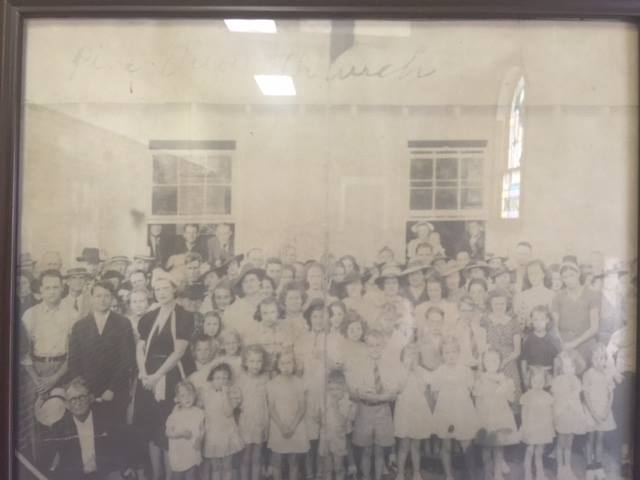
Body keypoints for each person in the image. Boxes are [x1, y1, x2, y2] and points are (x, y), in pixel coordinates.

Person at [132, 276, 195, 480]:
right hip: (148, 376)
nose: (161, 293)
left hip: (170, 375)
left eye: (165, 288)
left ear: (174, 289)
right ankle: (156, 475)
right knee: (151, 428)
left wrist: (157, 376)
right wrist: (143, 373)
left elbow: (179, 351)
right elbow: (140, 348)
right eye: (157, 289)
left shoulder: (184, 316)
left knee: (167, 428)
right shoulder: (149, 317)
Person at [68, 281, 136, 424]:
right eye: (98, 296)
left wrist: (112, 389)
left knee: (115, 430)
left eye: (106, 296)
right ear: (91, 298)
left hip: (116, 390)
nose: (102, 300)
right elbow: (74, 361)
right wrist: (85, 391)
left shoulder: (123, 323)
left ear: (112, 298)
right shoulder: (80, 326)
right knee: (92, 431)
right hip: (88, 393)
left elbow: (127, 360)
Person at [40, 377, 129, 480]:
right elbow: (51, 463)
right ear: (67, 405)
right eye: (73, 399)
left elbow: (122, 449)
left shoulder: (106, 419)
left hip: (106, 475)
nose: (78, 403)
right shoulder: (60, 428)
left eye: (81, 397)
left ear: (90, 398)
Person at [345, 330, 399, 480]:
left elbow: (393, 390)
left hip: (383, 410)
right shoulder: (360, 365)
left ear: (383, 346)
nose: (374, 349)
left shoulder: (389, 365)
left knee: (380, 450)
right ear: (366, 346)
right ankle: (366, 477)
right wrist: (378, 396)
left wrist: (380, 396)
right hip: (365, 410)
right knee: (366, 450)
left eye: (378, 345)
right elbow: (358, 392)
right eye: (371, 345)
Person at [22, 270, 78, 397]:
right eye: (47, 288)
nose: (52, 292)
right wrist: (36, 379)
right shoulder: (30, 314)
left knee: (61, 405)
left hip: (63, 370)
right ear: (41, 289)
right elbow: (24, 353)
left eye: (55, 287)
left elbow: (74, 353)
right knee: (34, 406)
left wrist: (55, 378)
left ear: (62, 288)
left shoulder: (72, 314)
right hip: (36, 370)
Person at [431, 337, 478, 480]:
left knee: (466, 444)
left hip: (462, 410)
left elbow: (470, 390)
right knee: (446, 445)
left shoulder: (465, 370)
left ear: (458, 353)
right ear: (442, 354)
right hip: (446, 411)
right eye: (446, 352)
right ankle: (449, 475)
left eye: (453, 352)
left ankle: (472, 475)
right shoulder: (438, 372)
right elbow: (435, 394)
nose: (450, 355)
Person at [473, 350, 518, 480]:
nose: (491, 363)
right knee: (486, 449)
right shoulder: (480, 379)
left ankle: (498, 474)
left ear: (500, 362)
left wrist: (504, 384)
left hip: (500, 417)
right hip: (485, 417)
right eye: (488, 360)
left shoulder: (505, 379)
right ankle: (488, 474)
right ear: (483, 362)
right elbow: (477, 399)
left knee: (499, 447)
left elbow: (511, 398)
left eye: (495, 360)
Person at [267, 352, 309, 480]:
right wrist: (281, 427)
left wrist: (292, 427)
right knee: (277, 460)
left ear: (294, 364)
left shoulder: (300, 383)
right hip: (278, 425)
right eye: (283, 363)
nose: (286, 366)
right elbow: (271, 408)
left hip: (296, 425)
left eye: (289, 363)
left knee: (294, 460)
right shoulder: (272, 384)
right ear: (278, 365)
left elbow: (302, 407)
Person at [551, 261, 601, 368]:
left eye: (571, 275)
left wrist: (575, 343)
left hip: (586, 343)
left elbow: (594, 327)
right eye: (564, 277)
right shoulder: (558, 297)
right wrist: (562, 345)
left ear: (578, 274)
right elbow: (554, 326)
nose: (568, 280)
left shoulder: (592, 294)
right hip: (564, 344)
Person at [394, 344, 433, 480]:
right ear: (402, 357)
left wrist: (416, 371)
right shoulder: (399, 370)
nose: (411, 358)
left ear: (419, 358)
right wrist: (407, 371)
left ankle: (416, 472)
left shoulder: (421, 371)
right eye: (408, 355)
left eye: (414, 355)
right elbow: (399, 388)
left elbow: (425, 385)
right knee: (403, 444)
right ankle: (400, 473)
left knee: (416, 444)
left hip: (418, 410)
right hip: (404, 410)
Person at [201, 363, 244, 480]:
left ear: (229, 380)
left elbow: (228, 412)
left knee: (227, 466)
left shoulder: (232, 394)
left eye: (225, 378)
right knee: (215, 467)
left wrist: (225, 394)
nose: (221, 381)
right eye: (217, 378)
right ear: (211, 380)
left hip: (227, 434)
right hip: (212, 435)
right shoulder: (206, 394)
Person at [551, 351, 591, 480]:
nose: (569, 369)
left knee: (569, 442)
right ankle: (559, 468)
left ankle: (567, 467)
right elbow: (556, 399)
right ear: (562, 368)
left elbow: (577, 399)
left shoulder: (577, 380)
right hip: (562, 414)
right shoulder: (557, 381)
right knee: (561, 442)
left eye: (571, 367)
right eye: (566, 367)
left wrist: (580, 414)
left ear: (575, 367)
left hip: (573, 414)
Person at [237, 345, 270, 480]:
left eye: (258, 361)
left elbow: (267, 402)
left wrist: (266, 424)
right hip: (246, 421)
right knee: (245, 456)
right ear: (245, 362)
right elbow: (237, 403)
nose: (255, 365)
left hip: (260, 421)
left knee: (258, 455)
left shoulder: (266, 379)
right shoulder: (241, 379)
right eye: (252, 361)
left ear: (263, 362)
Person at [583, 344, 616, 472]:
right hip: (591, 411)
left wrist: (607, 411)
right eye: (595, 358)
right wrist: (593, 414)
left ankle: (598, 464)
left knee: (600, 439)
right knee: (590, 438)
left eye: (602, 358)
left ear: (605, 360)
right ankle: (589, 465)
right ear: (591, 360)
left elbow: (611, 394)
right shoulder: (587, 374)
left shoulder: (608, 374)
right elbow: (586, 395)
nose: (599, 361)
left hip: (603, 411)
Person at [317, 370, 355, 480]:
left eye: (338, 389)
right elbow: (319, 418)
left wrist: (334, 405)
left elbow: (343, 422)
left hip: (339, 439)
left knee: (339, 467)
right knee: (327, 468)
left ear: (344, 388)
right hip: (325, 438)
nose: (334, 392)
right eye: (331, 389)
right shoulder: (324, 400)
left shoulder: (347, 403)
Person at [520, 368, 555, 480]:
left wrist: (549, 426)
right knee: (530, 450)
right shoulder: (527, 396)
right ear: (530, 381)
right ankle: (527, 473)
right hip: (531, 427)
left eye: (541, 381)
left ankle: (540, 473)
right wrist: (525, 428)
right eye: (535, 381)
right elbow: (524, 414)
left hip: (543, 427)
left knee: (539, 451)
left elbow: (550, 413)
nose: (538, 384)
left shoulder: (547, 396)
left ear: (545, 382)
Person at [166, 380, 205, 480]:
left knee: (191, 475)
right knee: (177, 476)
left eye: (189, 394)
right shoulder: (175, 414)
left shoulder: (199, 412)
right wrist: (180, 434)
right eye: (183, 396)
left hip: (192, 449)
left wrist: (200, 439)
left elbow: (202, 429)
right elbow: (168, 432)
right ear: (177, 399)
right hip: (178, 451)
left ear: (195, 395)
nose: (187, 398)